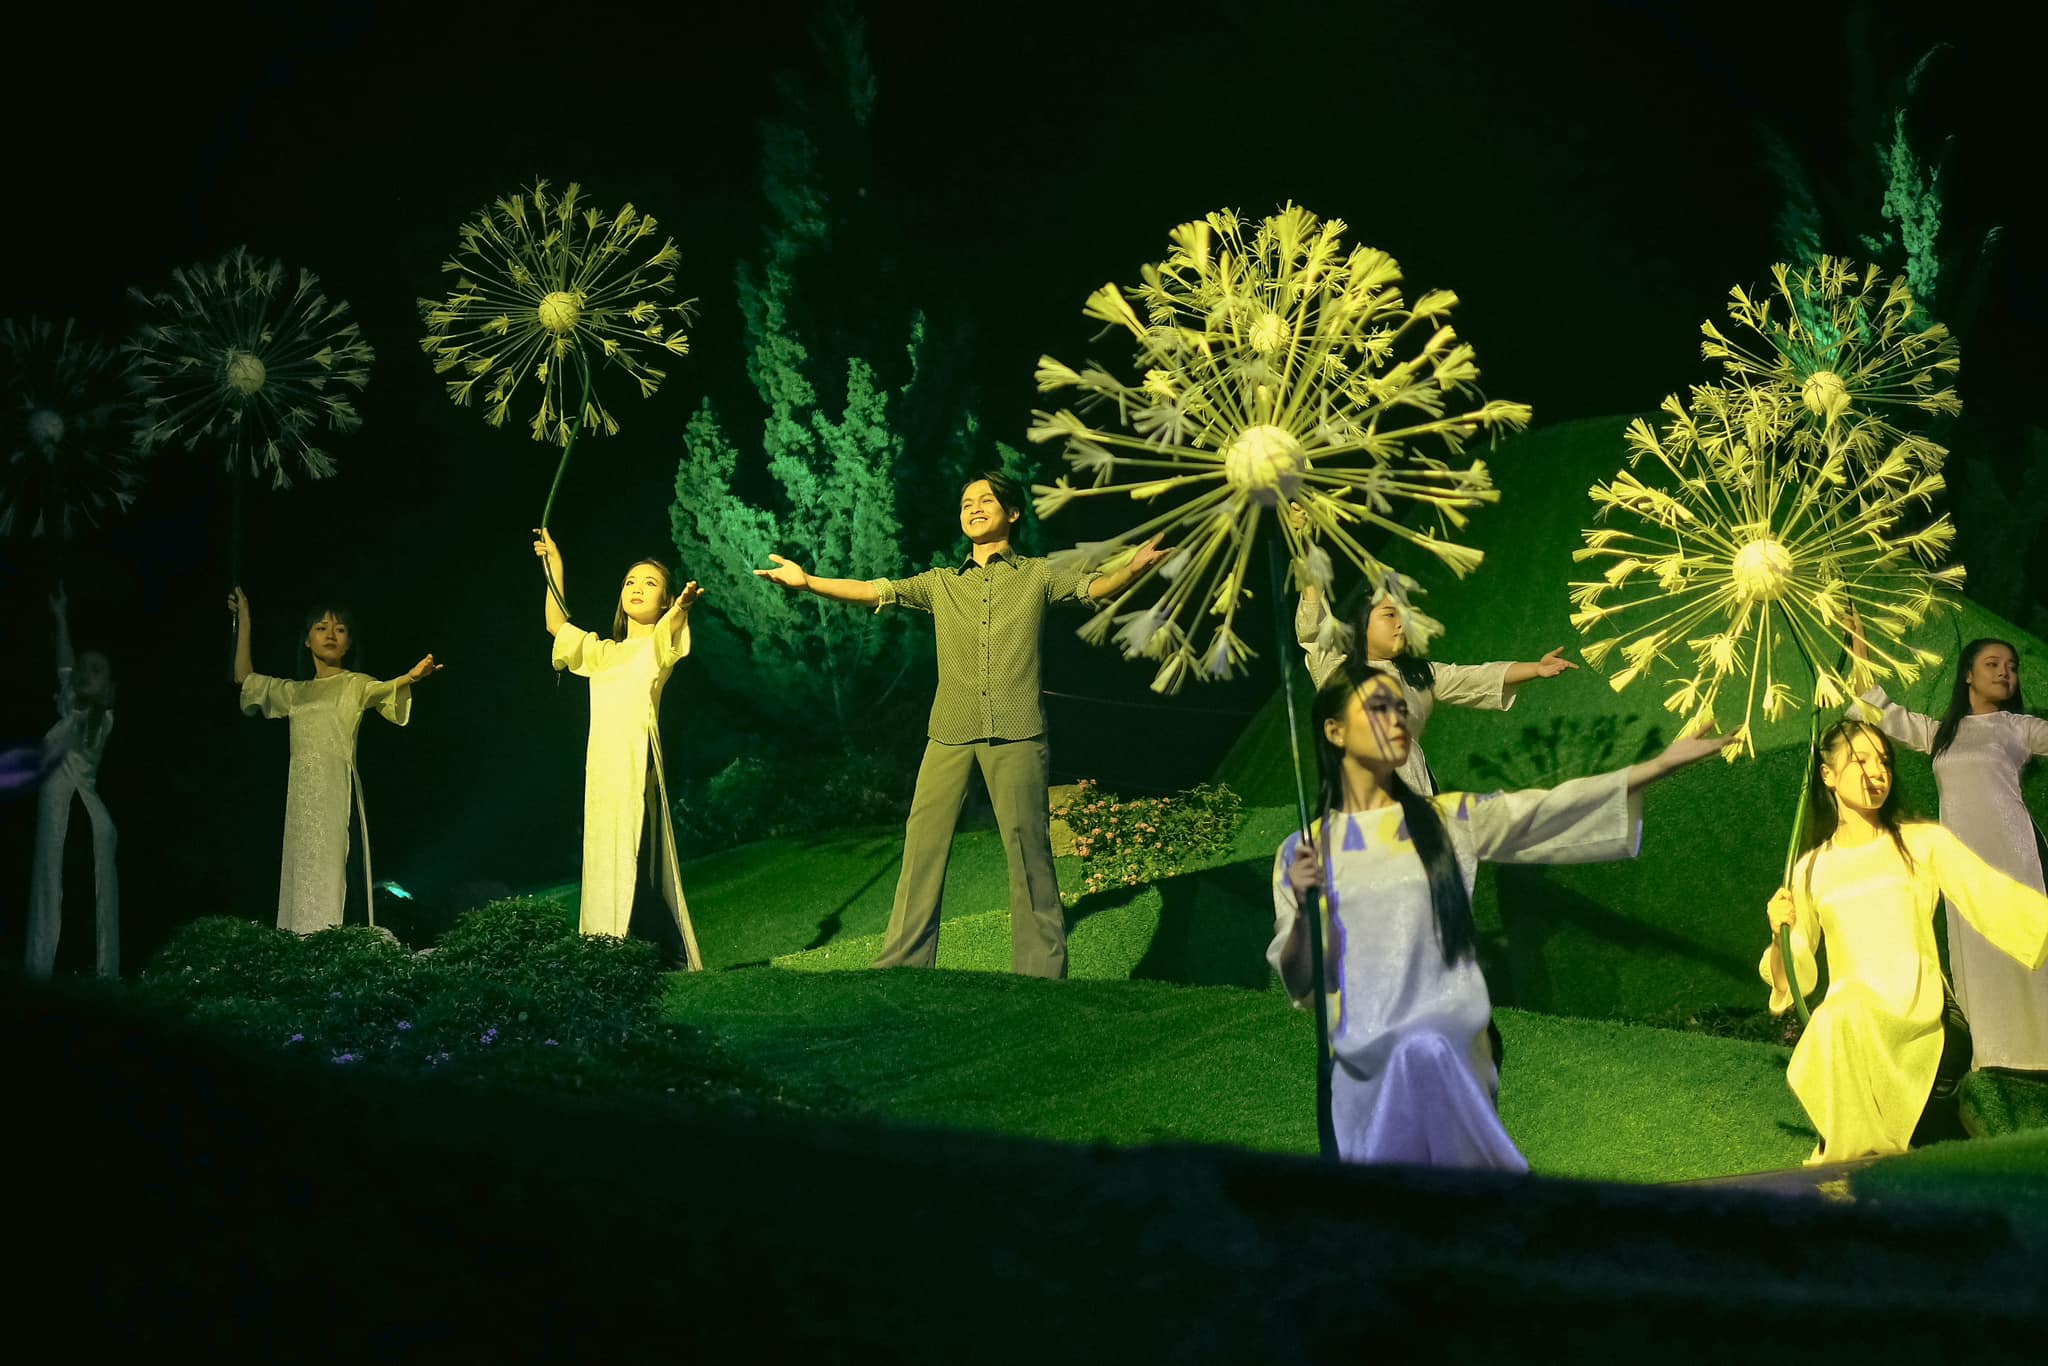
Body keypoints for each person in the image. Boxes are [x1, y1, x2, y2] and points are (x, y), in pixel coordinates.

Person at [1270, 659, 1734, 1169]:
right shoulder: (1305, 849)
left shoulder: (1449, 820)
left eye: (1402, 707)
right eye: (1379, 708)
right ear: (1334, 730)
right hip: (1363, 1066)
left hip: (1447, 1047)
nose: (1399, 719)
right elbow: (1301, 983)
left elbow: (1548, 808)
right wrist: (1306, 910)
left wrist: (1659, 765)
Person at [754, 472, 1165, 978]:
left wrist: (1135, 569)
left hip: (1017, 729)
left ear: (1012, 513)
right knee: (923, 843)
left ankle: (1040, 970)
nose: (973, 507)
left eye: (986, 500)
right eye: (966, 501)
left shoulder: (1036, 575)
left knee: (1028, 849)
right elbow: (871, 590)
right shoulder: (941, 582)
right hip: (949, 730)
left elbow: (1093, 588)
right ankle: (903, 961)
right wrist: (808, 581)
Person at [1764, 718, 2048, 1163]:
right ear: (1827, 775)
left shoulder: (1923, 843)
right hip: (1854, 1024)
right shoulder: (1811, 869)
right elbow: (1793, 975)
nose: (1876, 772)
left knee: (1846, 1024)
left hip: (1927, 1016)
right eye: (1860, 760)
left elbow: (1997, 898)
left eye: (1884, 761)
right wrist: (1779, 934)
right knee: (1839, 1019)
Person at [1848, 615, 2048, 1071]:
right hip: (1959, 857)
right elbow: (1873, 706)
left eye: (2012, 666)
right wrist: (1857, 641)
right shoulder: (1943, 734)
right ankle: (1995, 1056)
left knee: (2027, 938)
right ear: (1968, 674)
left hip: (2012, 851)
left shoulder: (2020, 727)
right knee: (1976, 947)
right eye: (1993, 663)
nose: (2005, 672)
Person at [535, 529, 704, 969]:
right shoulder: (602, 654)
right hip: (603, 772)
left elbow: (673, 629)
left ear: (664, 601)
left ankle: (652, 949)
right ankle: (602, 948)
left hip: (637, 763)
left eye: (650, 583)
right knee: (604, 851)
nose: (637, 588)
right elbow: (557, 625)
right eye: (631, 581)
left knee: (639, 851)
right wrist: (555, 565)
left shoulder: (657, 646)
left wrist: (683, 608)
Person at [232, 587, 441, 933]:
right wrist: (245, 619)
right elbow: (246, 680)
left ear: (348, 644)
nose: (331, 634)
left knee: (342, 872)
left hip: (337, 794)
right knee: (303, 872)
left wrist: (411, 677)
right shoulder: (296, 693)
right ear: (306, 641)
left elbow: (384, 689)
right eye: (321, 627)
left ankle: (343, 948)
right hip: (302, 801)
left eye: (340, 629)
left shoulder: (354, 684)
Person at [1296, 578, 1575, 796]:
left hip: (1415, 786)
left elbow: (1477, 677)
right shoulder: (1338, 673)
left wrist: (1536, 669)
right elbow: (1315, 630)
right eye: (1389, 615)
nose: (1400, 624)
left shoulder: (1419, 675)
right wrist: (1304, 546)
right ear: (1362, 624)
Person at [26, 583, 120, 979]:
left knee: (88, 889)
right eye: (83, 669)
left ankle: (96, 969)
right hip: (59, 809)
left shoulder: (98, 719)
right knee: (52, 886)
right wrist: (61, 617)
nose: (84, 674)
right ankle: (47, 966)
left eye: (95, 671)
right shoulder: (69, 705)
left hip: (86, 814)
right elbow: (65, 668)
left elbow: (84, 700)